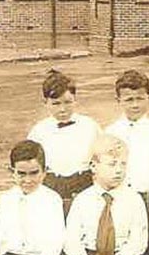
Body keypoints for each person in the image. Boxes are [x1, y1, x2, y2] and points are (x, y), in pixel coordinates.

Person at [27, 69, 102, 205]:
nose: (62, 109)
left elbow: (101, 158)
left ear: (75, 99)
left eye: (67, 102)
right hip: (51, 184)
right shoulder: (38, 132)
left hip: (84, 183)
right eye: (56, 103)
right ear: (45, 102)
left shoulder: (90, 126)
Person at [105, 69, 149, 205]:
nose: (135, 105)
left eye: (140, 98)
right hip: (120, 197)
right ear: (118, 100)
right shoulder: (111, 132)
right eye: (129, 100)